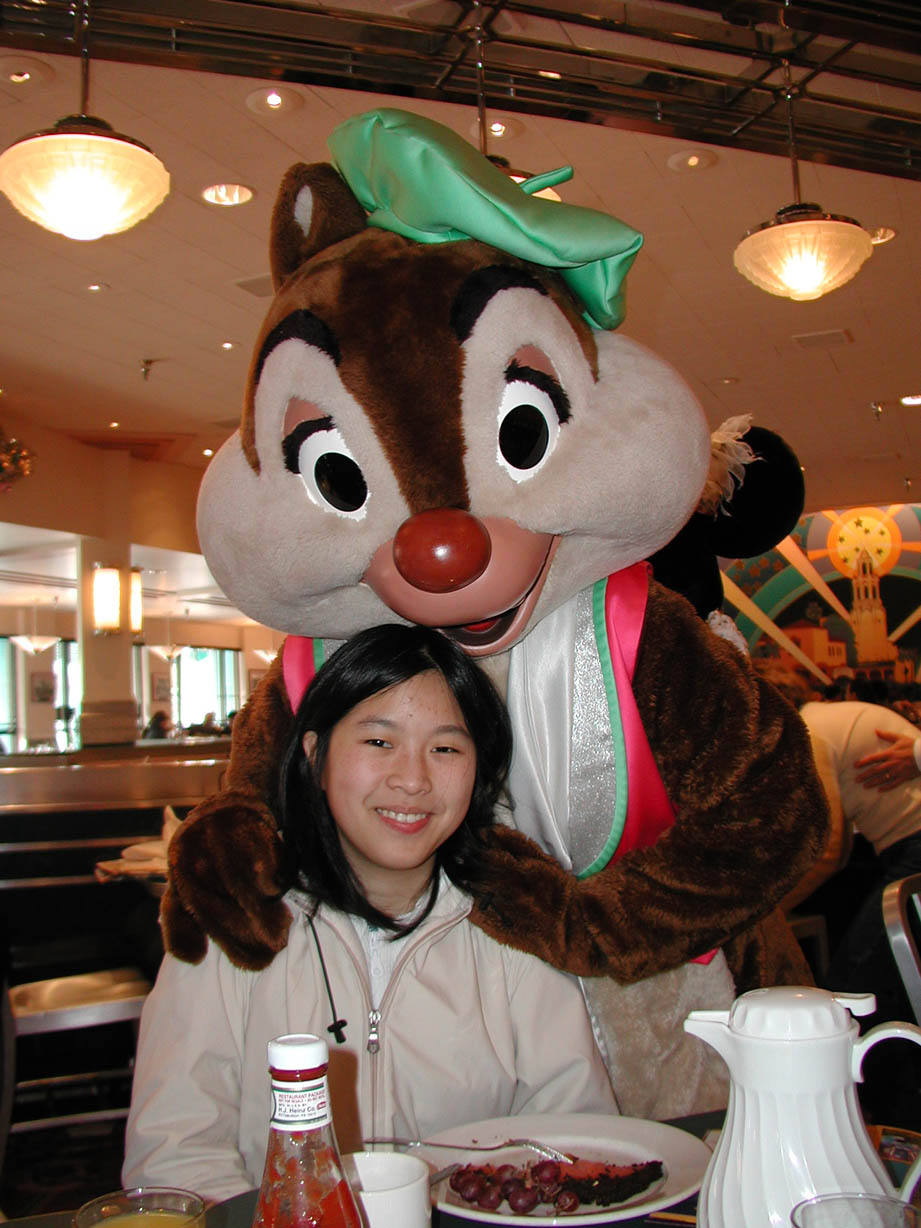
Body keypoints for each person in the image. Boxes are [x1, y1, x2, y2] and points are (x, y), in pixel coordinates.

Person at [123, 625, 617, 1201]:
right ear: (315, 755)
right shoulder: (237, 923)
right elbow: (176, 1162)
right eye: (379, 742)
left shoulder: (514, 929)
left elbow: (574, 1138)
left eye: (446, 749)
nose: (412, 780)